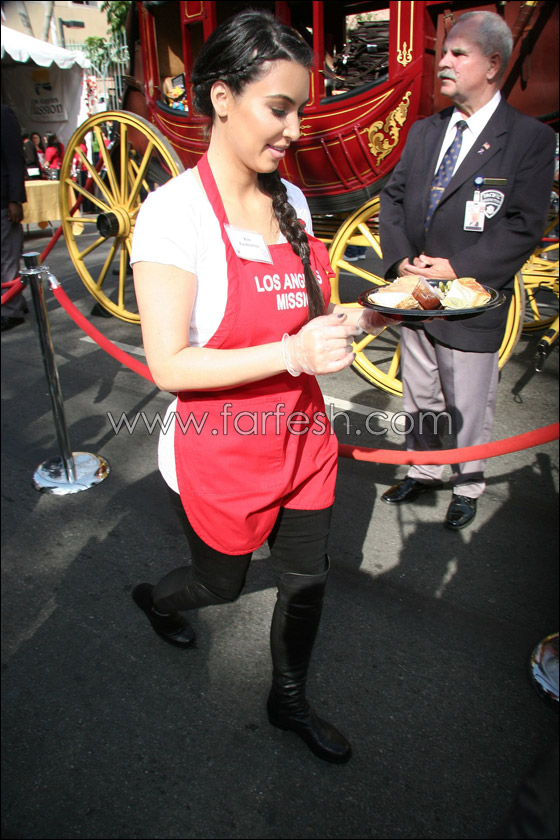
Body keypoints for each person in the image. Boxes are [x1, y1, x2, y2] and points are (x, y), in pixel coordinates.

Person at [130, 8, 395, 764]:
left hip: (304, 440)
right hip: (224, 449)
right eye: (278, 108)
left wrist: (382, 308)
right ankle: (158, 597)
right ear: (221, 97)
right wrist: (292, 349)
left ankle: (288, 702)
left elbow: (316, 327)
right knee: (219, 584)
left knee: (306, 581)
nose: (295, 129)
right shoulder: (171, 216)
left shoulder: (294, 202)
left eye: (300, 111)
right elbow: (171, 366)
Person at [378, 11, 556, 530]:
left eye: (459, 54)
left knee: (468, 399)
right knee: (421, 392)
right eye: (446, 52)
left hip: (471, 295)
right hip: (416, 292)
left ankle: (468, 483)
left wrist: (458, 267)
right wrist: (399, 260)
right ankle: (426, 472)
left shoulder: (527, 139)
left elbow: (524, 224)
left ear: (493, 64)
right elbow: (392, 199)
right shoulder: (425, 132)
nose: (444, 64)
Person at [1, 105, 27, 332]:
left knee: (8, 258)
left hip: (3, 199)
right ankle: (13, 301)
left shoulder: (4, 114)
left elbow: (14, 159)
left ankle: (12, 310)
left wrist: (14, 199)